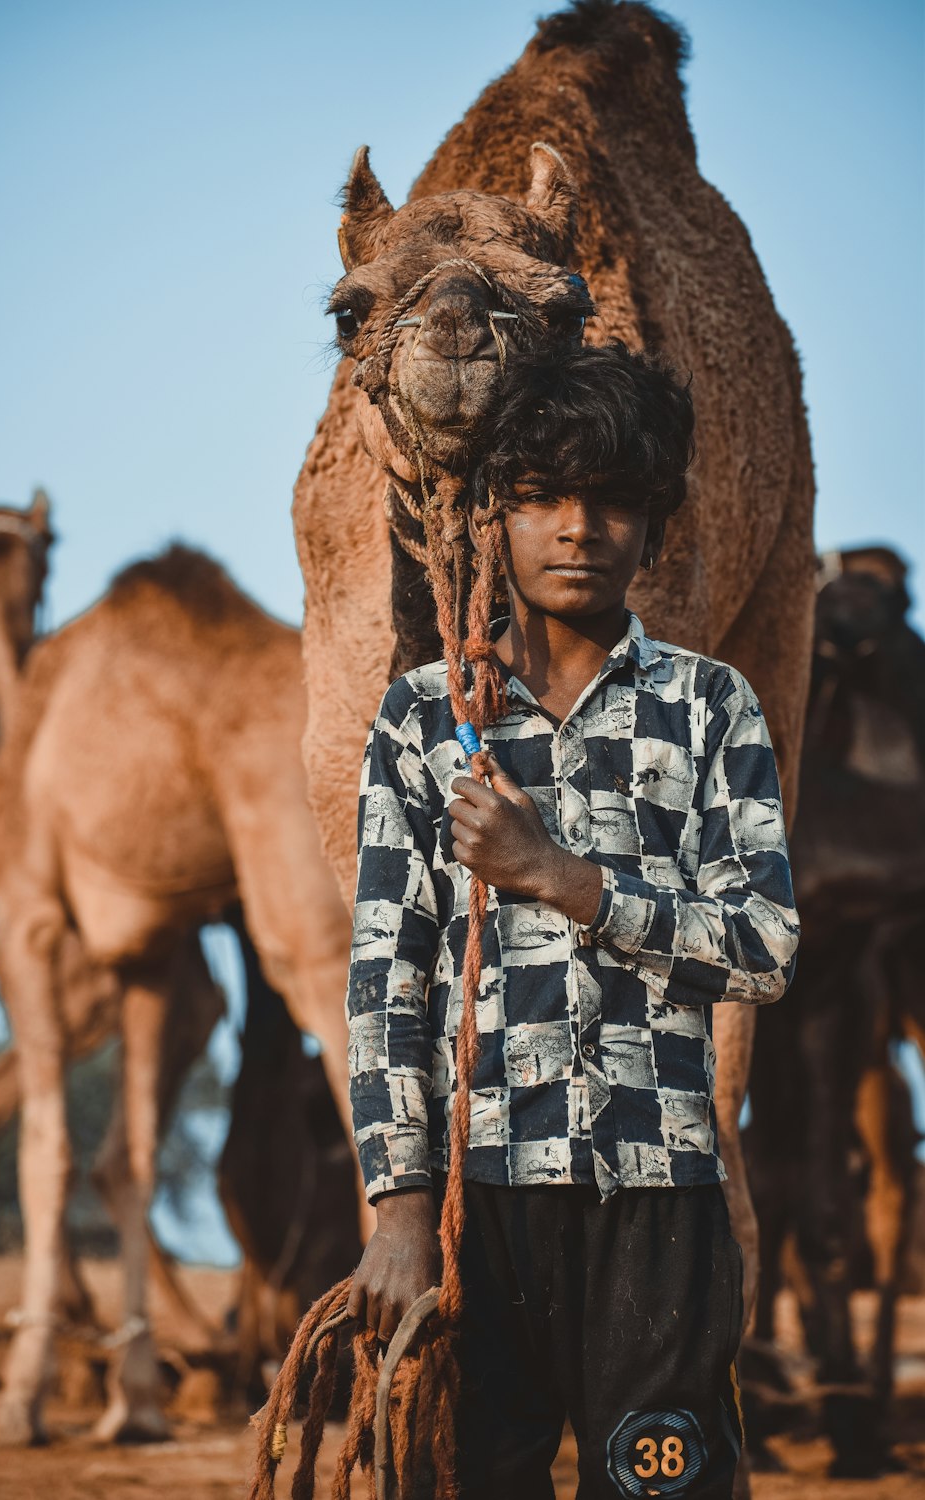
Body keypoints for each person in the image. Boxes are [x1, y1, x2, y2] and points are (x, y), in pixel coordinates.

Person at [344, 341, 800, 1499]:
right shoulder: (422, 720)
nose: (575, 527)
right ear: (491, 517)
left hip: (661, 1199)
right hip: (473, 1203)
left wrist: (562, 877)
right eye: (541, 496)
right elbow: (386, 982)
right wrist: (398, 1212)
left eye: (609, 499)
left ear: (655, 522)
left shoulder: (710, 704)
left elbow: (763, 945)